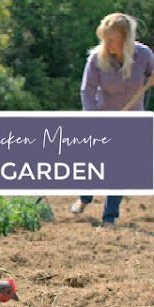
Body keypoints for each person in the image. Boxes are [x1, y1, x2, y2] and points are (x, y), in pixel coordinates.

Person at [71, 12, 154, 226]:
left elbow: (150, 76)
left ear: (126, 39)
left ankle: (109, 218)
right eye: (104, 39)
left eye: (112, 40)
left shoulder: (144, 55)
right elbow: (87, 91)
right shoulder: (96, 58)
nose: (107, 44)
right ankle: (85, 197)